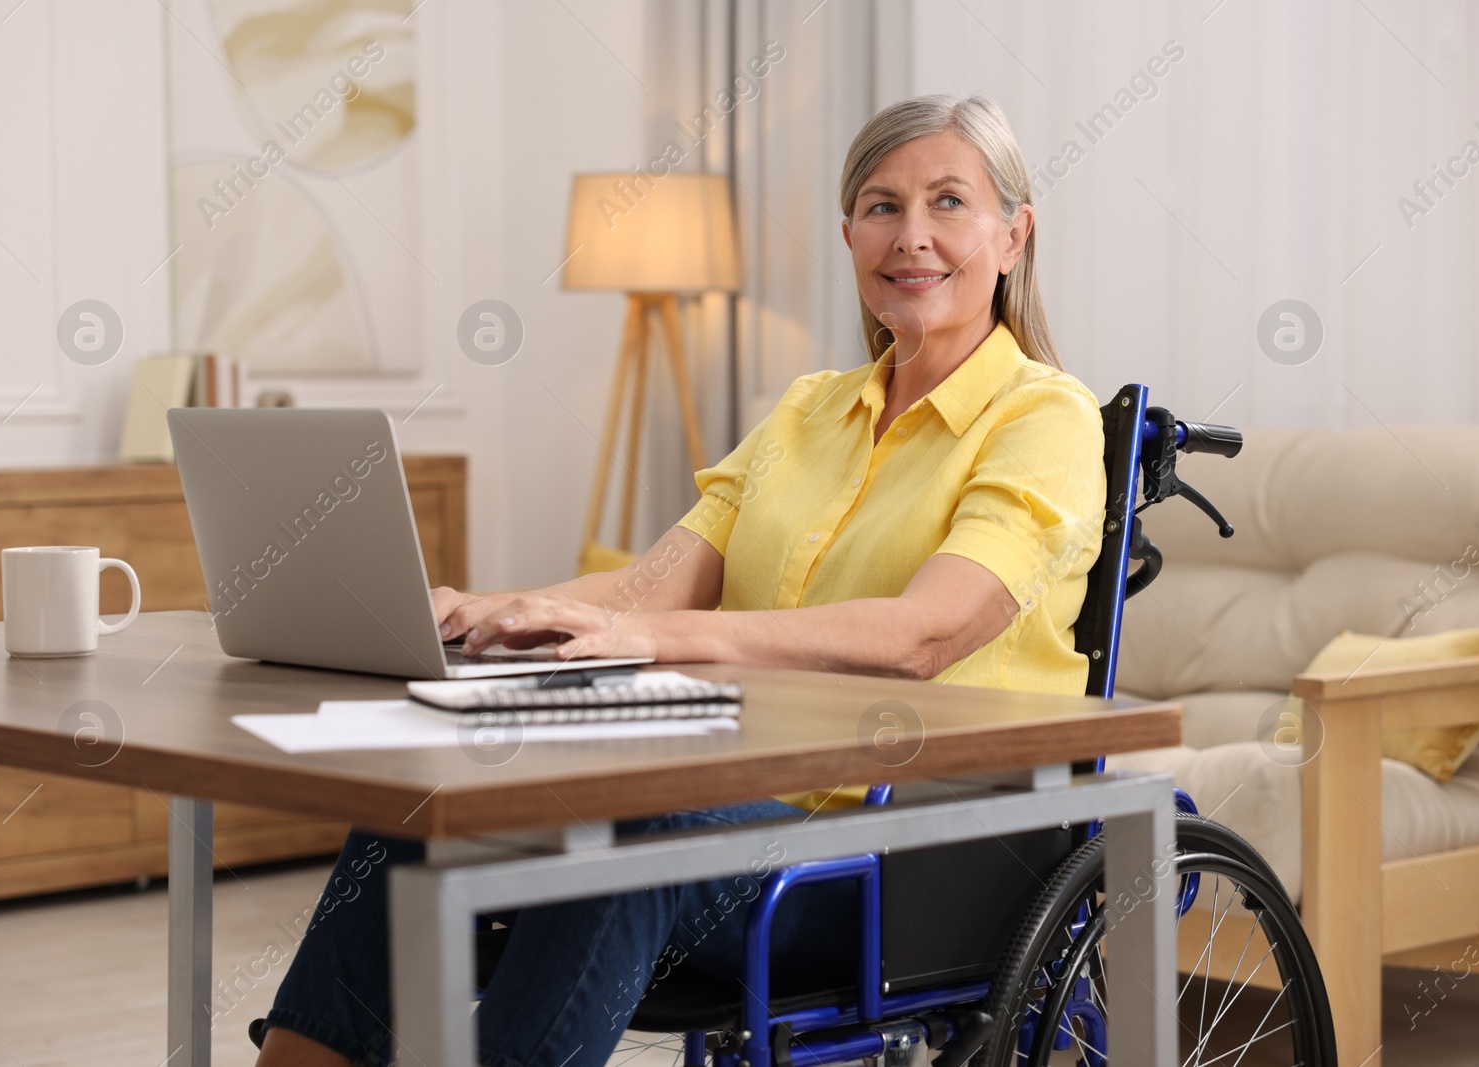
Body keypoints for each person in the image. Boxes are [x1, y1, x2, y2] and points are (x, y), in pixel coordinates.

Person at [253, 92, 1107, 1067]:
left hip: (911, 859)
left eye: (947, 201)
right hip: (739, 801)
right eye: (881, 206)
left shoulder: (1047, 417)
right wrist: (479, 610)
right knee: (426, 797)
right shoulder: (805, 411)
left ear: (1012, 234)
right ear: (848, 235)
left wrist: (656, 640)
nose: (910, 236)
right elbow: (650, 588)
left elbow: (923, 633)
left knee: (633, 823)